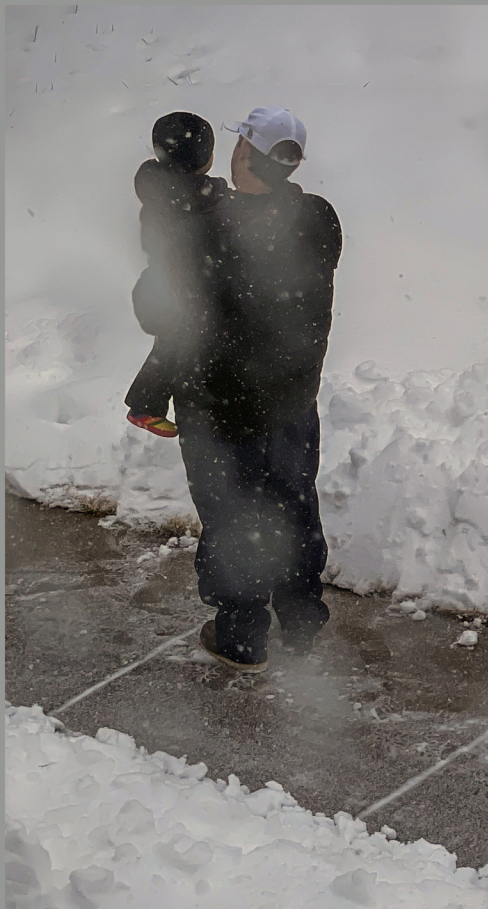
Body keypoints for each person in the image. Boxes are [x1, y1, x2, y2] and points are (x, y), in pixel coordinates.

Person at [173, 106, 343, 673]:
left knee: (232, 517)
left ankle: (241, 637)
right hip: (293, 400)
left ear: (244, 151)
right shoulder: (318, 217)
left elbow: (171, 312)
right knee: (293, 505)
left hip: (220, 405)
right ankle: (300, 620)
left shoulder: (212, 226)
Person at [126, 111, 228, 437]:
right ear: (207, 158)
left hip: (165, 274)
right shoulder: (196, 196)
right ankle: (145, 404)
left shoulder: (157, 187)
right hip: (185, 278)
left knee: (171, 343)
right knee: (179, 343)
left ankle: (146, 404)